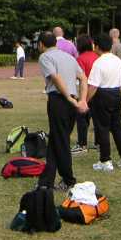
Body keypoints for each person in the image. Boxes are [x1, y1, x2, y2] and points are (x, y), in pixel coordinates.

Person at [37, 32, 88, 191]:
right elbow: (83, 78)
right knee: (56, 139)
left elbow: (56, 78)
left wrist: (68, 98)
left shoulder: (45, 57)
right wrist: (82, 100)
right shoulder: (69, 57)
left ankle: (68, 179)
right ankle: (46, 181)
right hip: (71, 100)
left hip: (59, 100)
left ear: (41, 44)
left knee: (61, 142)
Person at [87, 33, 121, 172]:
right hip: (116, 94)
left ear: (97, 46)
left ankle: (105, 160)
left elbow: (93, 86)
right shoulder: (118, 61)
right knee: (117, 127)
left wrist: (85, 101)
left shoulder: (98, 63)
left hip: (102, 95)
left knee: (102, 128)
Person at [71, 34, 99, 155]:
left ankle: (82, 144)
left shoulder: (80, 59)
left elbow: (81, 78)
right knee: (98, 120)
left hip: (87, 92)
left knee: (82, 118)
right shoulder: (97, 56)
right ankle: (98, 143)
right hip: (99, 91)